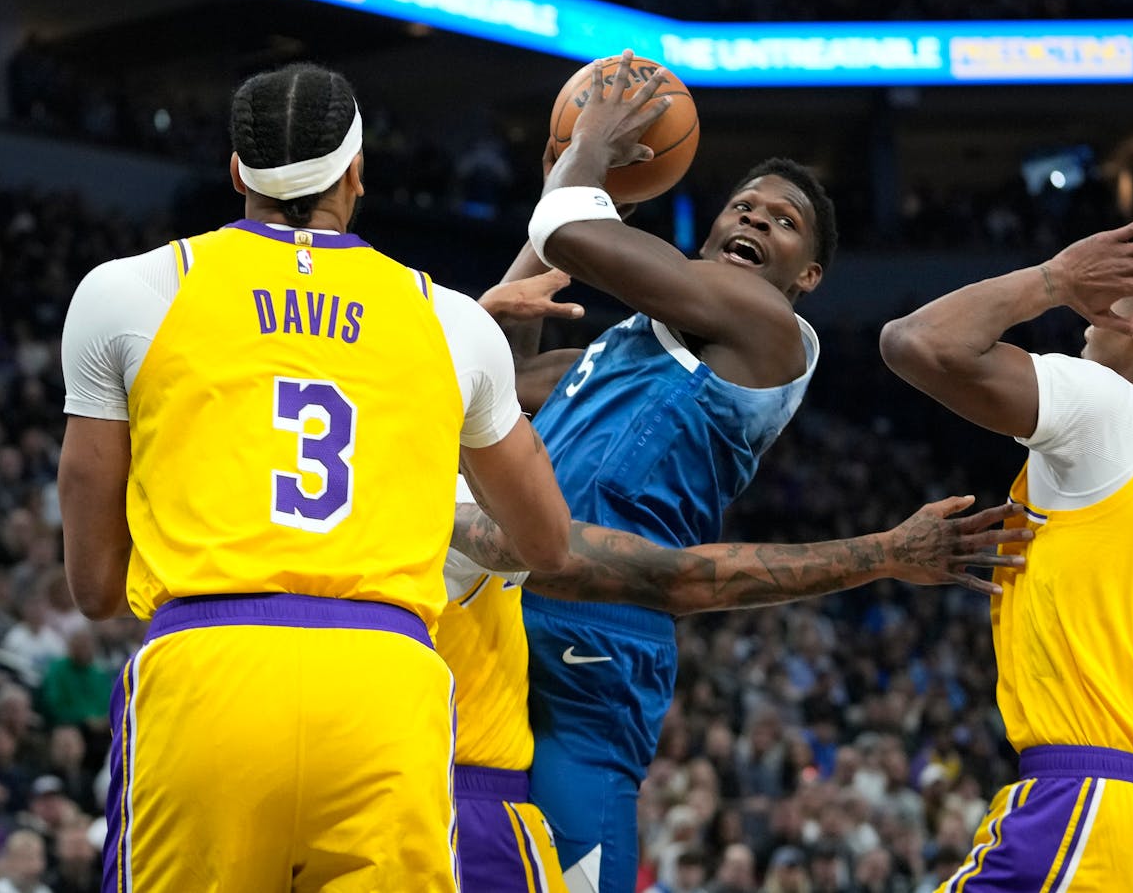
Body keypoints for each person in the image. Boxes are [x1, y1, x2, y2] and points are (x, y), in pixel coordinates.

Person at [57, 61, 571, 891]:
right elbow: (546, 540)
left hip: (208, 669)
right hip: (385, 686)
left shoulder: (126, 292)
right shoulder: (449, 320)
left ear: (236, 173)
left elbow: (94, 586)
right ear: (357, 174)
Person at [434, 278, 1029, 893]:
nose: (555, 434)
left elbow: (489, 396)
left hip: (436, 766)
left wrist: (492, 311)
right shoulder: (475, 519)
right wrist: (882, 552)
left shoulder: (415, 485)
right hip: (482, 771)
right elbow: (671, 577)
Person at [878, 216, 1133, 890]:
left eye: (1111, 298)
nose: (1087, 314)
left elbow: (914, 342)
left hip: (1087, 811)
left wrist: (1056, 278)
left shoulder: (1107, 404)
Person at [507, 51, 840, 892]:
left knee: (570, 871)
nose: (758, 218)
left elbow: (573, 233)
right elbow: (496, 383)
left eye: (783, 221)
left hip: (602, 630)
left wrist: (587, 158)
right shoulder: (622, 348)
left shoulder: (769, 327)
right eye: (743, 205)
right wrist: (567, 185)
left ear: (806, 276)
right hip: (508, 599)